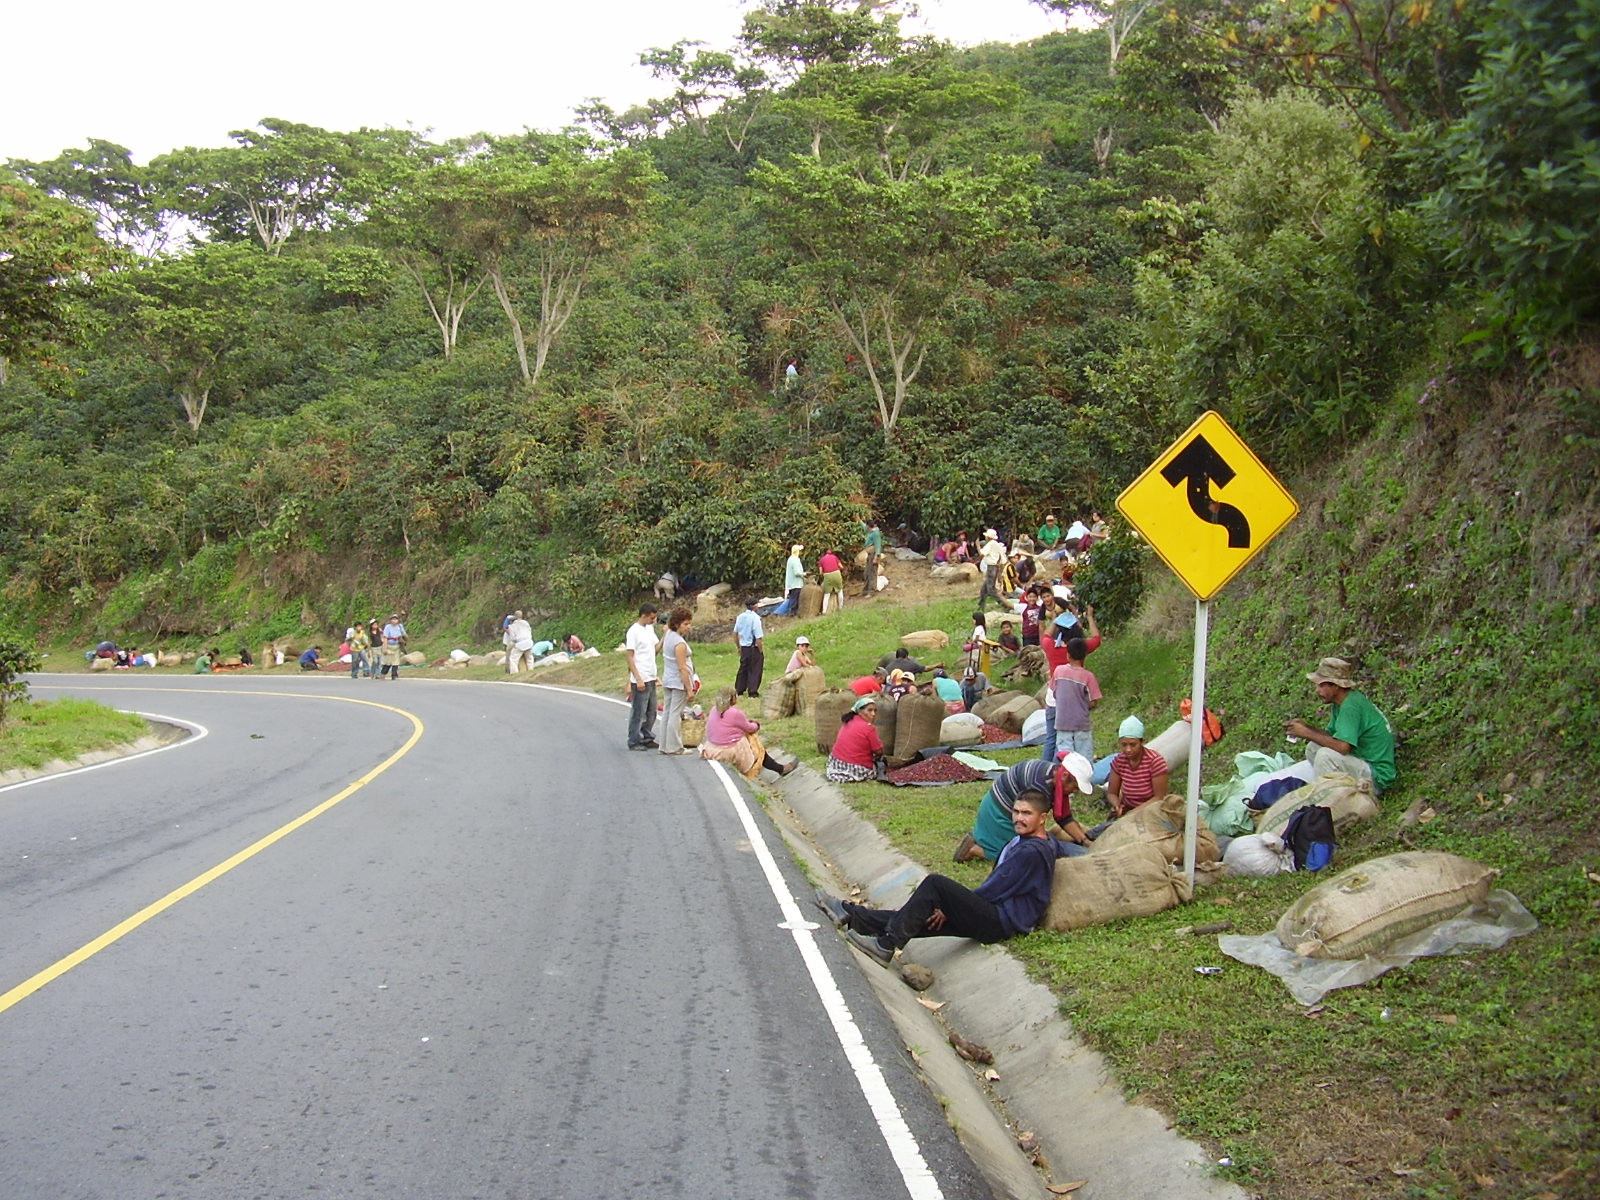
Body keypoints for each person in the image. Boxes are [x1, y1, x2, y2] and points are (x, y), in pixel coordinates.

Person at [816, 789, 1058, 966]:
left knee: (935, 884)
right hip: (996, 914)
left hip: (1003, 922)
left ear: (1043, 818)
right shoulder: (1025, 841)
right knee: (917, 919)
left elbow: (996, 888)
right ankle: (851, 914)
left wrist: (952, 906)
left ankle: (886, 945)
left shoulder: (1032, 851)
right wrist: (955, 908)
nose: (1019, 818)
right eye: (1016, 812)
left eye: (1027, 813)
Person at [955, 751, 1095, 862]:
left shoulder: (1053, 776)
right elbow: (1030, 827)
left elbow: (1064, 817)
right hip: (999, 812)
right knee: (1013, 854)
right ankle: (974, 849)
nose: (1075, 791)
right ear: (1064, 776)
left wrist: (1084, 841)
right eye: (1075, 786)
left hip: (1008, 808)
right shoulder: (1040, 787)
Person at [1285, 656, 1397, 791]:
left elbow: (1342, 747)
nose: (1317, 690)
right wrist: (1305, 727)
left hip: (1376, 776)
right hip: (1361, 761)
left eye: (1321, 685)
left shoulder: (1351, 707)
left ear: (1336, 686)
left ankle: (1333, 801)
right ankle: (1340, 789)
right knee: (1313, 748)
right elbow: (1331, 736)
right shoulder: (1342, 703)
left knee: (1324, 756)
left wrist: (1307, 733)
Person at [700, 686, 794, 778]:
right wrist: (756, 724)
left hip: (711, 748)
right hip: (728, 750)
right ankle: (780, 769)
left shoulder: (713, 710)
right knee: (755, 743)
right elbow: (750, 728)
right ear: (732, 699)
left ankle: (779, 768)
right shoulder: (735, 713)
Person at [1043, 637, 1100, 764]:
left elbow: (1054, 691)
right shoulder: (1088, 676)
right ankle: (1083, 782)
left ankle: (1066, 781)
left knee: (1066, 759)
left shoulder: (1059, 671)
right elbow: (1094, 702)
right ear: (1084, 656)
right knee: (1084, 758)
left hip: (1062, 722)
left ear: (1068, 655)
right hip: (1081, 723)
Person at [1102, 716, 1170, 820]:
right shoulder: (1120, 761)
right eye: (1124, 745)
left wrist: (1134, 813)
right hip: (1128, 809)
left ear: (1142, 742)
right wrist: (1117, 805)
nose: (1128, 749)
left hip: (1151, 811)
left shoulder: (1155, 762)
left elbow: (1159, 798)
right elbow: (1112, 793)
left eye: (1133, 745)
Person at [658, 607, 700, 755]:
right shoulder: (679, 644)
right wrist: (689, 688)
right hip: (678, 681)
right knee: (675, 714)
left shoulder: (668, 635)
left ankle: (664, 745)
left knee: (668, 712)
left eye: (689, 624)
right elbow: (682, 668)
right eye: (685, 624)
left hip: (668, 679)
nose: (689, 627)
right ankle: (675, 747)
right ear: (677, 624)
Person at [624, 603, 661, 750]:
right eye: (651, 618)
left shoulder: (649, 629)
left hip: (650, 675)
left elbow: (655, 649)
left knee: (651, 710)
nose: (653, 620)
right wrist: (637, 678)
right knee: (638, 711)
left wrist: (665, 636)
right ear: (644, 615)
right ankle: (634, 740)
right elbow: (630, 656)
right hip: (641, 677)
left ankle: (647, 736)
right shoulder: (633, 631)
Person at [826, 696, 885, 783]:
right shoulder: (869, 728)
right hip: (855, 767)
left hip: (837, 763)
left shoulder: (849, 721)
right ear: (859, 711)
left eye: (874, 711)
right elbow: (878, 751)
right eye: (869, 710)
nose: (873, 714)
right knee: (881, 766)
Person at [733, 596, 765, 699]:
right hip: (753, 647)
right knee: (755, 669)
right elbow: (758, 637)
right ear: (755, 606)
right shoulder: (755, 618)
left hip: (744, 646)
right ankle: (752, 691)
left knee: (743, 668)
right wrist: (760, 650)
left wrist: (738, 646)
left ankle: (739, 689)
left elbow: (735, 633)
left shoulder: (740, 617)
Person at [976, 528, 1007, 608]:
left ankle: (1004, 604)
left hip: (991, 567)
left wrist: (978, 546)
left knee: (991, 589)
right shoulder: (996, 544)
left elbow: (982, 554)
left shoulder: (990, 544)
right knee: (984, 588)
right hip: (995, 567)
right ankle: (981, 605)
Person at [379, 614, 407, 680]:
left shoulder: (400, 626)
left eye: (396, 619)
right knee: (387, 663)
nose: (394, 621)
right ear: (390, 620)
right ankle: (383, 673)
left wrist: (404, 641)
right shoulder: (388, 627)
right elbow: (385, 638)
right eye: (393, 619)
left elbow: (404, 635)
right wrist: (385, 648)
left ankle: (394, 675)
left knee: (396, 662)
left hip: (396, 646)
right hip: (389, 646)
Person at [780, 543, 806, 615]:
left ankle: (792, 612)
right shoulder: (795, 560)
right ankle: (793, 613)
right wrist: (804, 574)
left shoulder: (791, 559)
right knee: (795, 598)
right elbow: (797, 572)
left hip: (791, 583)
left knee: (793, 598)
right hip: (796, 583)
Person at [818, 549, 844, 614]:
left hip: (827, 576)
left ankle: (824, 611)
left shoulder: (821, 560)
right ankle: (841, 607)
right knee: (840, 591)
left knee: (827, 594)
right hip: (837, 574)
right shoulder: (834, 557)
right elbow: (841, 566)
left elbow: (820, 572)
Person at [862, 520, 882, 598]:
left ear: (868, 526)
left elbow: (878, 545)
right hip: (869, 554)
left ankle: (871, 591)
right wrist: (859, 520)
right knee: (866, 572)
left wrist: (876, 556)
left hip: (873, 555)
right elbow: (863, 526)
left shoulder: (875, 533)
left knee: (872, 573)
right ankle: (866, 590)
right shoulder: (869, 531)